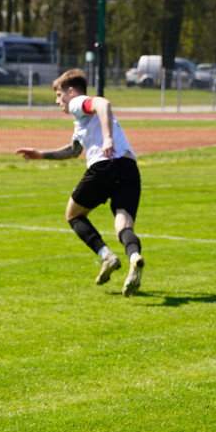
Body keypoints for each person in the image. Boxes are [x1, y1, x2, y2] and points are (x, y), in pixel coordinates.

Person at [15, 68, 145, 297]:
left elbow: (103, 103)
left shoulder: (78, 102)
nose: (58, 101)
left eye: (59, 95)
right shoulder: (82, 120)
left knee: (73, 215)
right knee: (123, 227)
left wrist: (107, 138)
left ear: (71, 91)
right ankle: (135, 257)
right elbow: (74, 151)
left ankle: (107, 256)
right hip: (128, 168)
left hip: (104, 166)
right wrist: (40, 154)